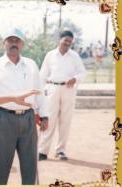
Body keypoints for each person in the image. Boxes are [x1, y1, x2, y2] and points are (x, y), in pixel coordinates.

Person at [0, 28, 48, 185]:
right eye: (10, 40)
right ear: (4, 44)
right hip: (3, 119)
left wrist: (44, 115)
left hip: (28, 119)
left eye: (17, 41)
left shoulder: (31, 65)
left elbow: (39, 91)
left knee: (30, 166)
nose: (13, 44)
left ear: (22, 44)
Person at [38, 30, 86, 161]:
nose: (67, 43)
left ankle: (60, 151)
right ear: (59, 40)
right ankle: (42, 151)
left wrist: (75, 78)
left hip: (68, 89)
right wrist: (40, 93)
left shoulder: (74, 56)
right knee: (49, 119)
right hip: (52, 89)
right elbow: (42, 75)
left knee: (65, 121)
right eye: (65, 40)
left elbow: (82, 72)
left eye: (70, 42)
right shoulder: (50, 55)